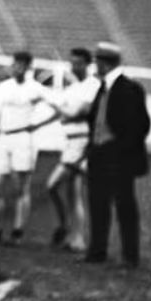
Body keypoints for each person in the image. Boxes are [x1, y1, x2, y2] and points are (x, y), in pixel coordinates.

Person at [83, 42, 150, 268]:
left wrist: (120, 149)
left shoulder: (129, 88)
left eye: (97, 61)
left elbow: (141, 125)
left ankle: (130, 256)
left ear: (104, 63)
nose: (95, 65)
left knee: (124, 205)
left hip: (118, 156)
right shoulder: (103, 89)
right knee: (97, 203)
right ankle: (97, 250)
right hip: (99, 153)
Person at [0, 51, 54, 246]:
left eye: (20, 65)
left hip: (23, 139)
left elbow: (58, 108)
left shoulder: (35, 88)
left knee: (21, 188)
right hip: (3, 138)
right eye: (15, 64)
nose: (16, 68)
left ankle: (17, 231)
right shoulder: (5, 86)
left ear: (28, 67)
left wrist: (37, 125)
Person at [44, 47, 100, 252]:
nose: (74, 67)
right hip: (70, 142)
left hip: (82, 143)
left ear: (88, 64)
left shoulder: (93, 85)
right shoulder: (73, 88)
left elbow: (78, 112)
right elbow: (63, 114)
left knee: (56, 185)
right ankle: (74, 236)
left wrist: (56, 105)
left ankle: (70, 232)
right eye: (72, 63)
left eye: (78, 63)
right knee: (71, 193)